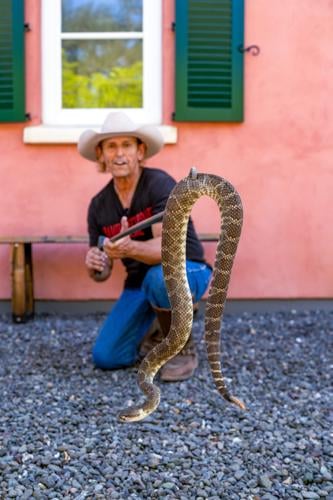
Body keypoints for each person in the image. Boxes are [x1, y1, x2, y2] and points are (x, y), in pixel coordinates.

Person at [78, 111, 212, 381]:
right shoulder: (98, 206)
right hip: (139, 283)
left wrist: (128, 249)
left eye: (126, 145)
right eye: (111, 146)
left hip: (189, 269)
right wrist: (96, 262)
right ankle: (155, 329)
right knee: (107, 357)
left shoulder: (160, 185)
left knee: (161, 277)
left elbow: (168, 251)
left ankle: (182, 349)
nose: (119, 154)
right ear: (101, 154)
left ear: (140, 151)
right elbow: (101, 273)